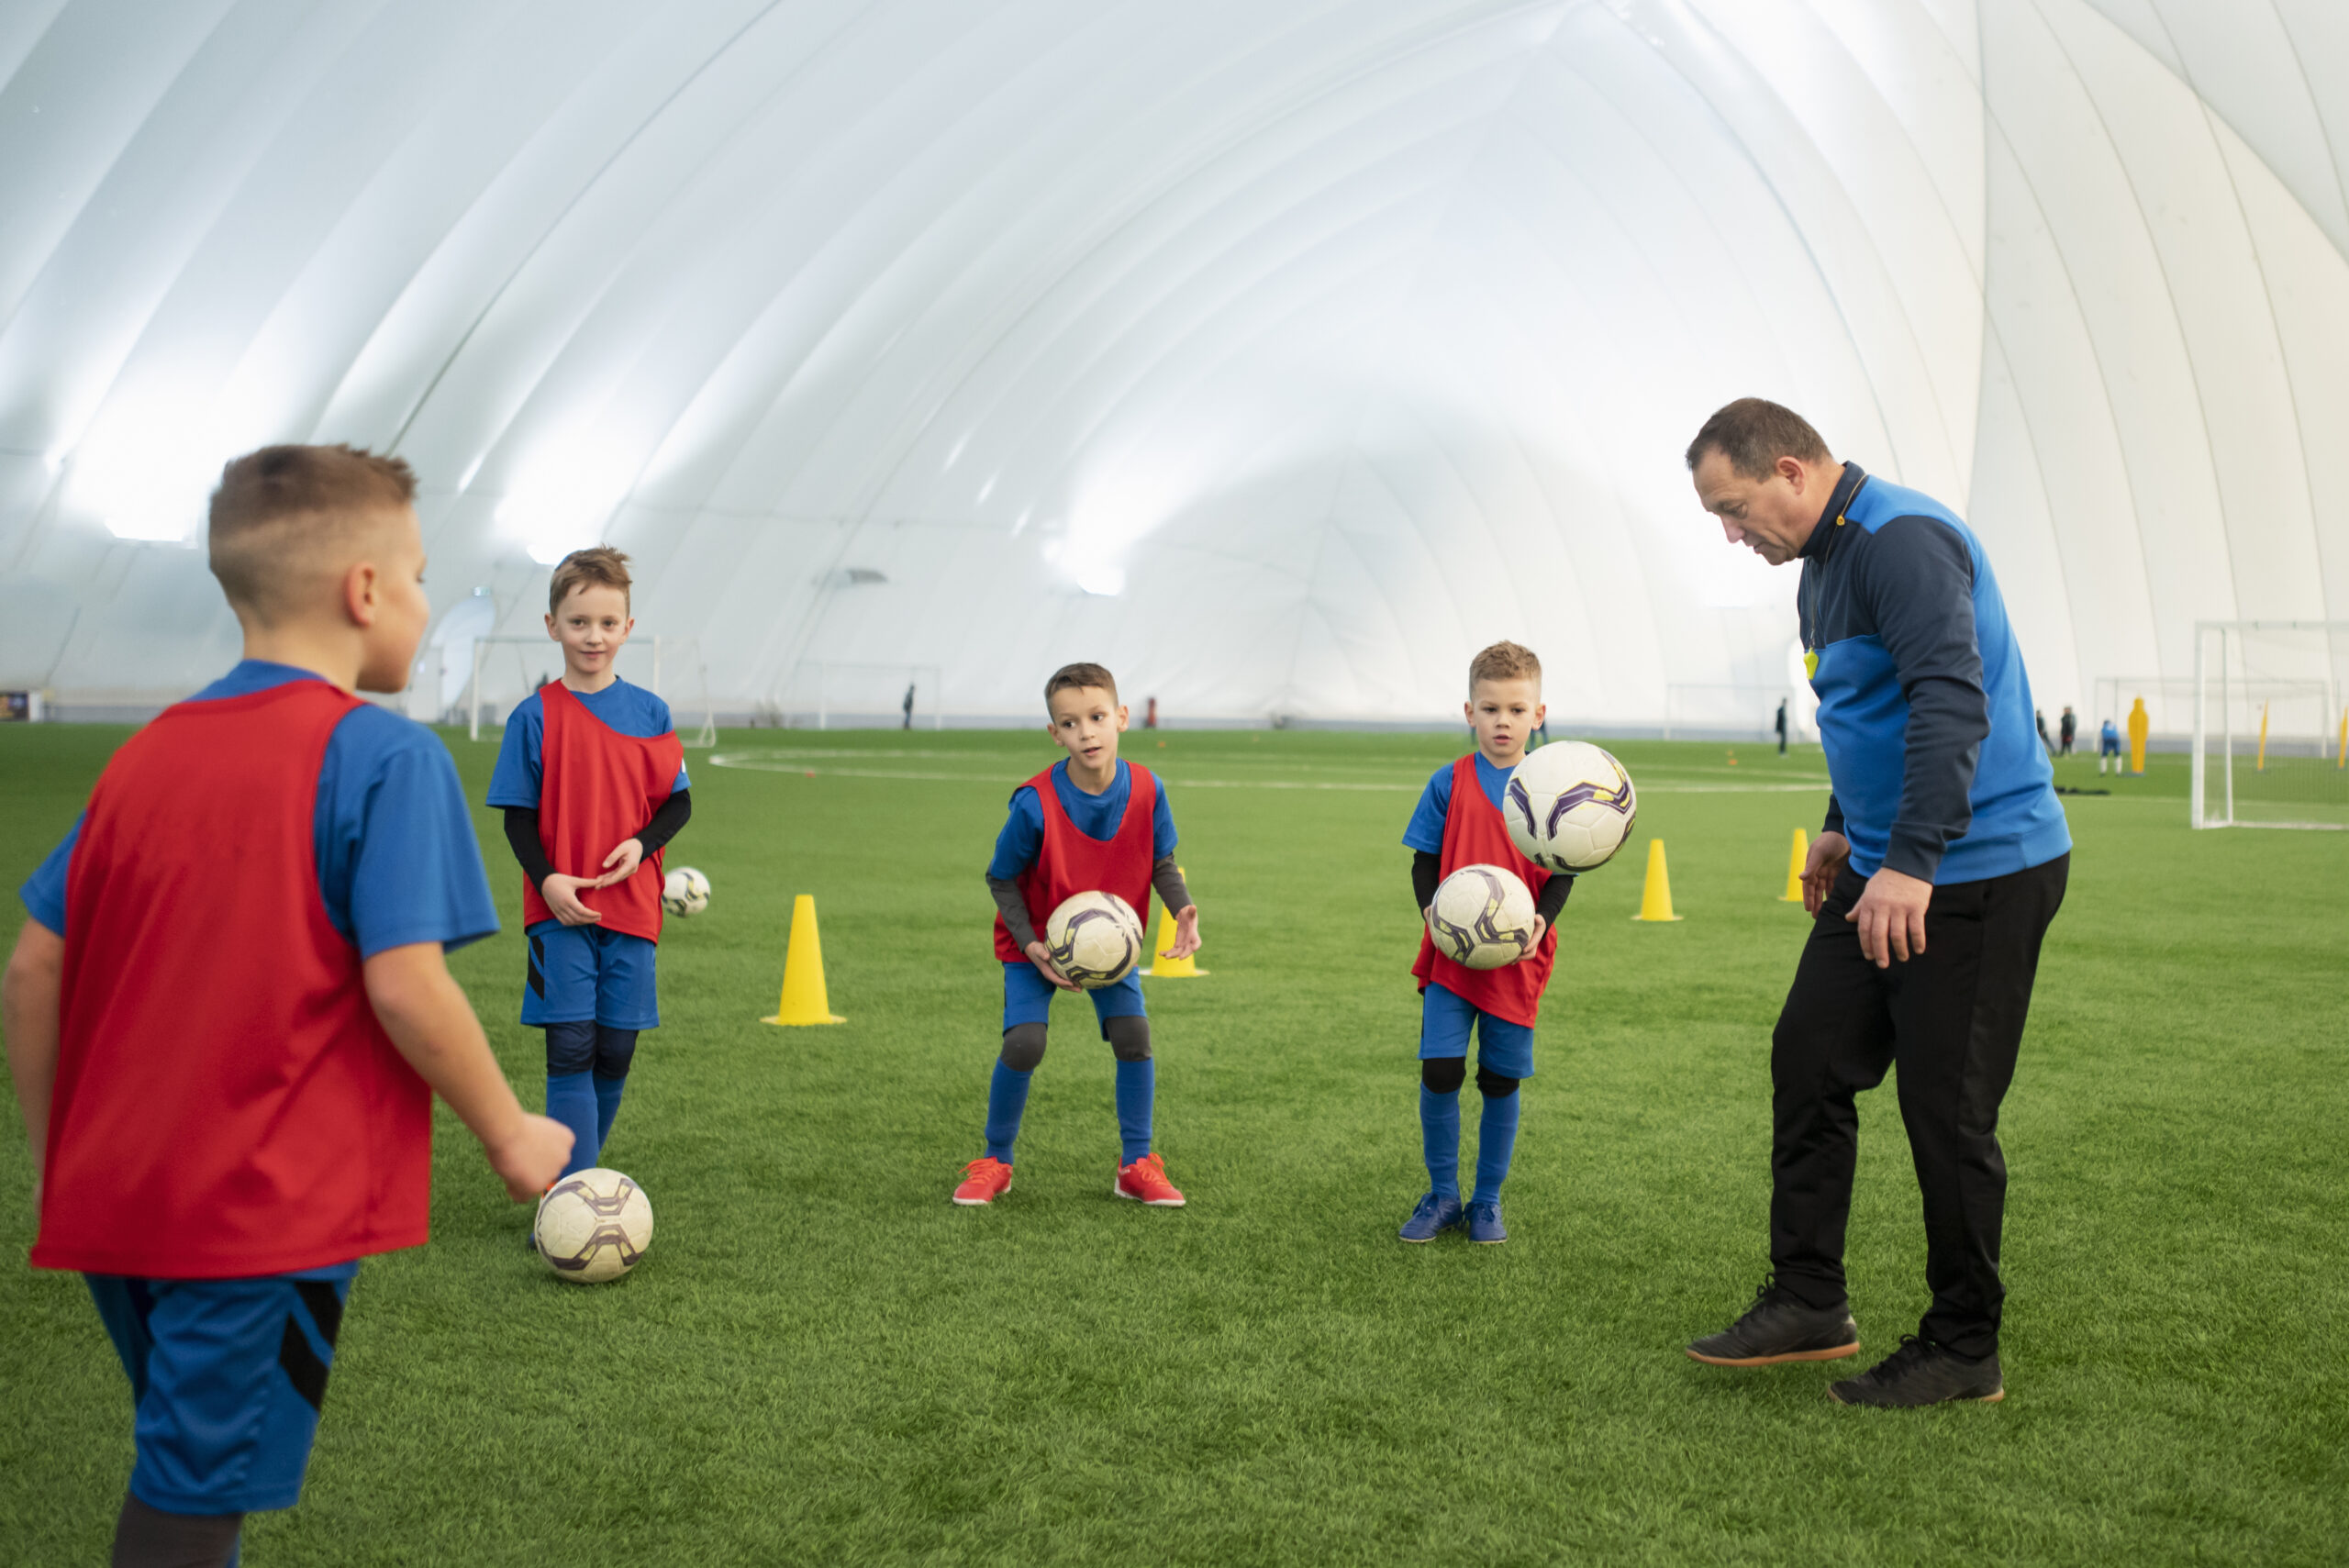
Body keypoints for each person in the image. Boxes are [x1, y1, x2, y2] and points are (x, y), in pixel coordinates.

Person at [2, 445, 572, 1567]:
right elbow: (406, 982)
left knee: (183, 1456)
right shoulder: (381, 756)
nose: (420, 599)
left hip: (120, 1192)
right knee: (190, 1489)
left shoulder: (146, 753)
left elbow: (31, 970)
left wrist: (58, 1154)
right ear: (364, 592)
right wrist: (512, 1134)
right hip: (250, 1207)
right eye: (415, 575)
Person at [1684, 399, 2070, 1407]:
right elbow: (1865, 708)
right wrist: (1840, 826)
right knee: (1808, 1056)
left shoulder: (1901, 541)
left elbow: (1950, 697)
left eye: (1733, 507)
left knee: (1944, 1112)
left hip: (1976, 866)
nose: (1730, 533)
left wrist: (1907, 861)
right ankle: (1810, 1299)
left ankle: (1963, 1343)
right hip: (1885, 859)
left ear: (1789, 469)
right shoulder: (1822, 562)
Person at [952, 662, 1200, 1208]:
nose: (1086, 732)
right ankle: (995, 1160)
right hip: (1036, 939)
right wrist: (1032, 945)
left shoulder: (1147, 789)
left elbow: (1162, 860)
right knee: (1024, 1043)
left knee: (1134, 1037)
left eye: (1096, 717)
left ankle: (1136, 1164)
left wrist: (1181, 907)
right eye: (1070, 723)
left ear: (1121, 718)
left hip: (1110, 942)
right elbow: (1001, 877)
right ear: (1054, 733)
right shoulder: (1033, 803)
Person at [487, 547, 691, 1188]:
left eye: (607, 623)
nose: (593, 636)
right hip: (559, 909)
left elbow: (679, 802)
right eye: (579, 622)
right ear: (553, 626)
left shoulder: (650, 713)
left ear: (627, 629)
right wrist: (547, 878)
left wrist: (641, 843)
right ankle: (573, 1197)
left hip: (632, 906)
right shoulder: (534, 716)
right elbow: (516, 816)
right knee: (570, 1044)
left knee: (615, 1048)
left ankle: (574, 1178)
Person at [1397, 641, 1575, 1246]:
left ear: (1539, 714)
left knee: (1500, 1078)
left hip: (1517, 961)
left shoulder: (1547, 786)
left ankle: (1488, 1200)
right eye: (1490, 707)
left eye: (1516, 709)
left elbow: (1563, 871)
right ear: (1468, 711)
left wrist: (1541, 924)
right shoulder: (1449, 782)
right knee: (1441, 1070)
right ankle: (1443, 1194)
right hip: (1451, 957)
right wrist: (1433, 911)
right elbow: (1424, 859)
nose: (1503, 720)